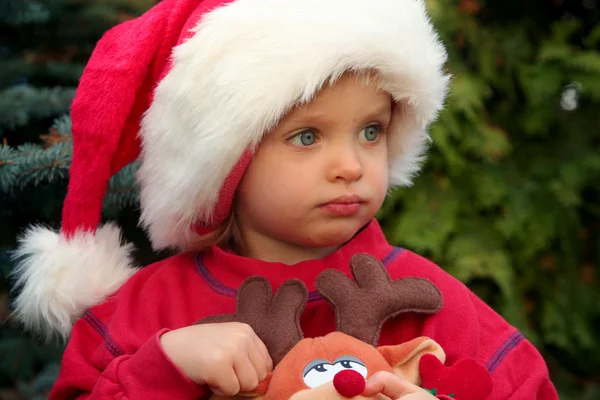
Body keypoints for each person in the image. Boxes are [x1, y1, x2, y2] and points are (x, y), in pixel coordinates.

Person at [11, 0, 558, 398]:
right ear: (228, 163)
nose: (351, 166)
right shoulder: (143, 313)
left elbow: (528, 388)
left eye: (370, 131)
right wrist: (165, 367)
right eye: (307, 136)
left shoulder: (426, 300)